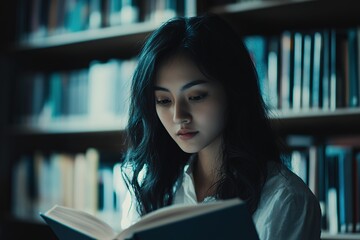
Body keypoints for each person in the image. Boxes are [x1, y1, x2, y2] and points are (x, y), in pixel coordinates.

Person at [120, 14, 321, 240]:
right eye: (164, 101)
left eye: (196, 96)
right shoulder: (149, 188)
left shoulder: (285, 200)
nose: (179, 116)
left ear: (233, 92)